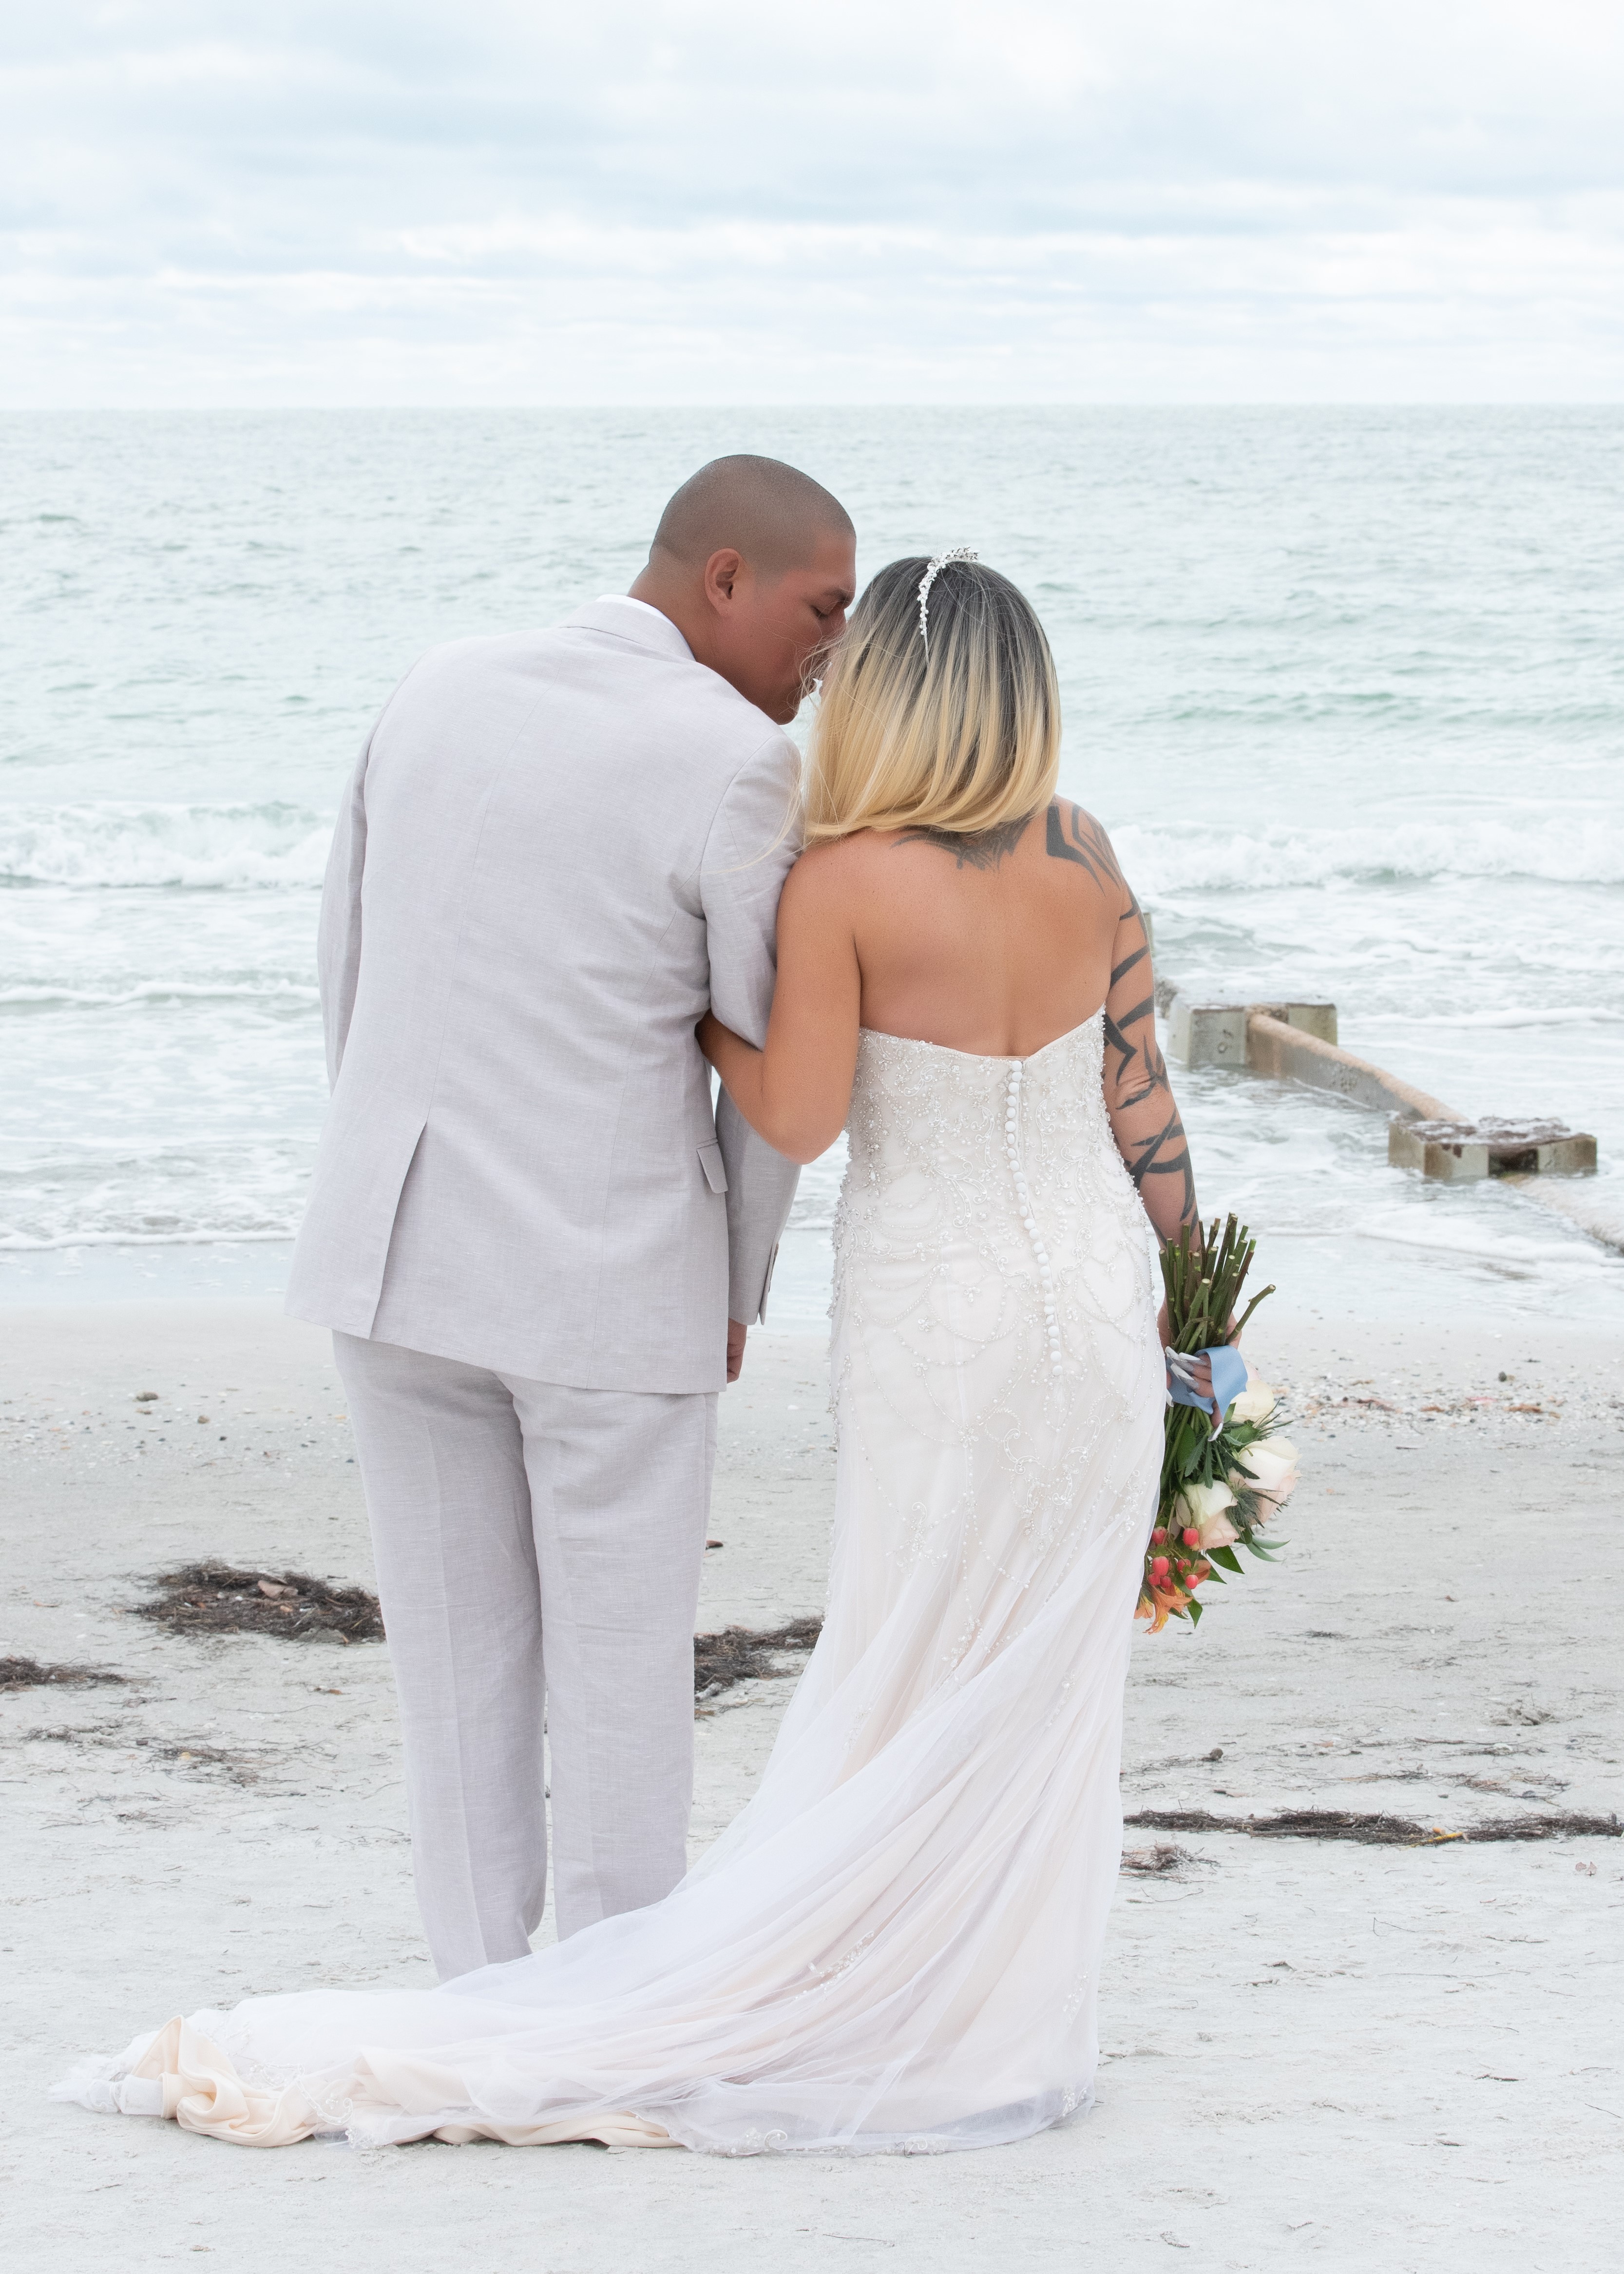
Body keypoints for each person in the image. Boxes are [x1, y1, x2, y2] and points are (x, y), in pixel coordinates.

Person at [57, 551, 1203, 2157]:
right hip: (1090, 1310)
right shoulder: (1091, 859)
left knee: (907, 1650)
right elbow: (1141, 1103)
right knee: (1035, 1672)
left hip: (940, 1321)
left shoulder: (848, 877)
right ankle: (995, 2020)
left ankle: (791, 1999)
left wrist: (686, 1015)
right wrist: (1199, 1329)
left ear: (894, 699)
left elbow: (795, 1115)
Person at [281, 454, 857, 1981]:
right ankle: (612, 2007)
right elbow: (771, 1057)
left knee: (454, 1667)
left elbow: (350, 955)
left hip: (396, 1249)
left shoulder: (437, 683)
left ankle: (479, 1995)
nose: (835, 650)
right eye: (822, 608)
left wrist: (376, 1174)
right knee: (618, 1679)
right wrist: (733, 1281)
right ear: (722, 577)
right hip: (609, 1282)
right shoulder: (740, 762)